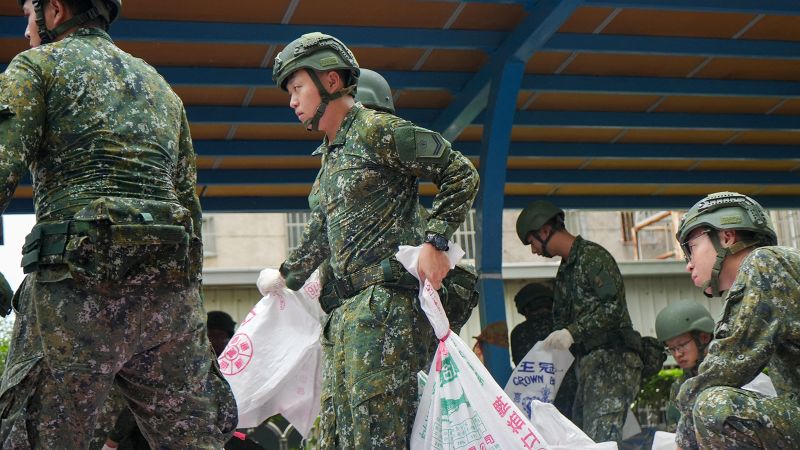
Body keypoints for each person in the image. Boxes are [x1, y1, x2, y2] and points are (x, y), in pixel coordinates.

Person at [0, 1, 237, 447]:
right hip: (167, 297)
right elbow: (189, 208)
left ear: (54, 10)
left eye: (29, 10)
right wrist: (189, 302)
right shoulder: (162, 89)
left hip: (74, 290)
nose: (25, 26)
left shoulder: (35, 67)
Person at [256, 32, 479, 448]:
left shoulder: (377, 130)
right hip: (347, 318)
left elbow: (460, 171)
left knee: (378, 435)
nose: (292, 100)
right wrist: (284, 276)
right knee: (334, 438)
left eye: (297, 87)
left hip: (386, 312)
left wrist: (436, 242)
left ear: (331, 82)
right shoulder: (330, 160)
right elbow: (320, 236)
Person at [673, 191, 800, 449]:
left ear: (727, 236)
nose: (688, 264)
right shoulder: (776, 266)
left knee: (715, 407)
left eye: (691, 247)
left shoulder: (763, 263)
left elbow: (727, 365)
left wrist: (682, 430)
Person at [515, 200, 643, 443]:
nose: (534, 250)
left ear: (544, 231)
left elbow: (612, 308)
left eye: (532, 242)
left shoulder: (592, 258)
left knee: (601, 441)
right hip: (588, 366)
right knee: (583, 440)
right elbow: (562, 320)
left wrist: (572, 332)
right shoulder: (566, 271)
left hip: (611, 362)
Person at [510, 281, 577, 420]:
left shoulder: (519, 332)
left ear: (525, 309)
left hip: (538, 400)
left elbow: (520, 366)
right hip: (572, 395)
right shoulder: (565, 328)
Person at [654, 299, 714, 432]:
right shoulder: (680, 387)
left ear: (704, 337)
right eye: (671, 349)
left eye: (681, 345)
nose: (677, 354)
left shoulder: (732, 375)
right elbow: (674, 434)